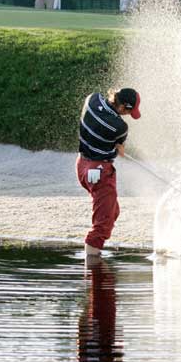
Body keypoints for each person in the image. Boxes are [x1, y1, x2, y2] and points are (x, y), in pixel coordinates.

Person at [76, 88, 141, 256]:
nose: (128, 115)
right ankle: (92, 268)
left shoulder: (92, 99)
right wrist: (120, 148)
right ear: (122, 108)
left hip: (82, 165)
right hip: (99, 172)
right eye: (129, 111)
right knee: (102, 224)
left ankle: (94, 255)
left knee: (112, 212)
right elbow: (119, 147)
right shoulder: (120, 127)